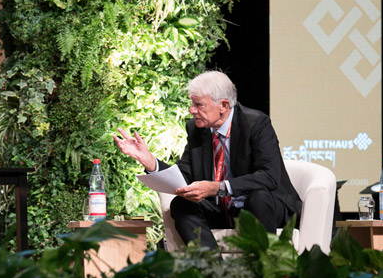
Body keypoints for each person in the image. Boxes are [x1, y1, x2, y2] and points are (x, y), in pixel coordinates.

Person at [114, 71, 301, 251]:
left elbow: (269, 176)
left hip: (261, 209)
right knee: (181, 204)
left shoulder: (256, 124)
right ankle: (213, 272)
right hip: (223, 210)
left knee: (258, 196)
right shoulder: (197, 129)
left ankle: (265, 270)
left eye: (199, 104)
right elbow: (183, 174)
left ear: (224, 105)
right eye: (192, 103)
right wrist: (149, 161)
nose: (191, 110)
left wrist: (218, 187)